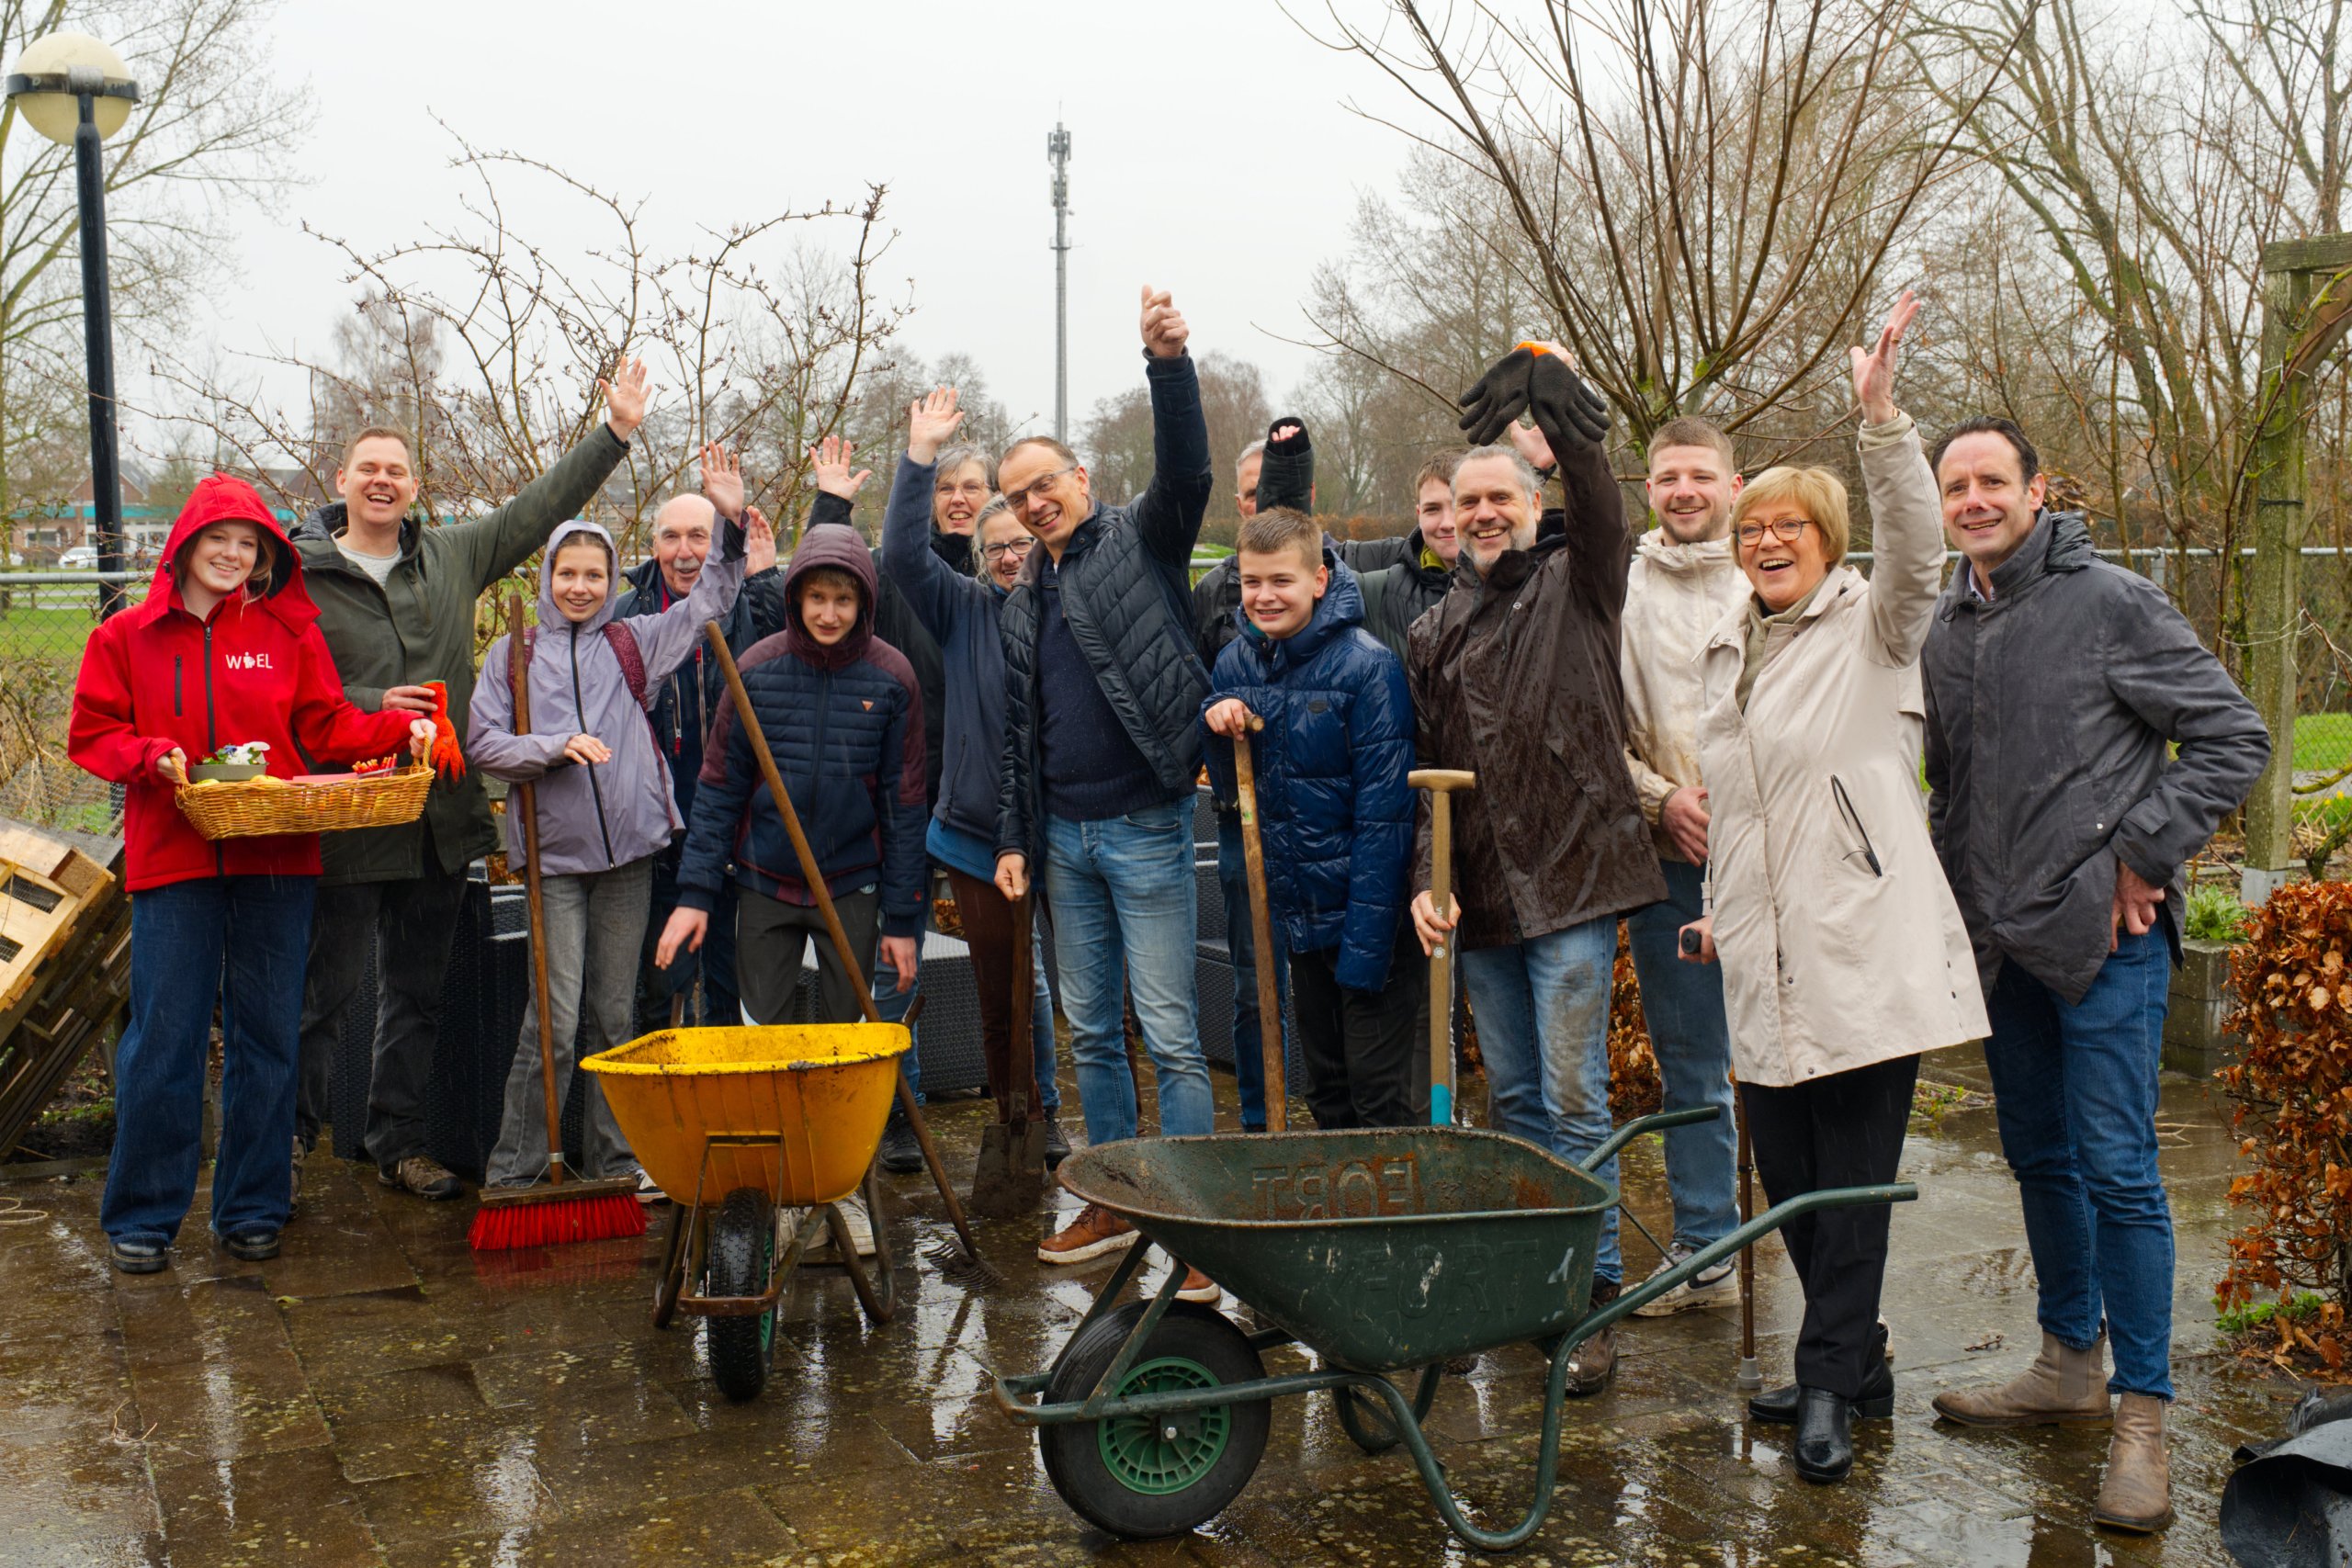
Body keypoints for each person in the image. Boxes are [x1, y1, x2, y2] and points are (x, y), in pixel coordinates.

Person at [1920, 410, 2268, 1530]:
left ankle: (2143, 1416)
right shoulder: (1946, 624)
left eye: (1990, 481)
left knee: (2119, 1169)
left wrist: (2141, 850)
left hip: (2105, 943)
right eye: (1954, 486)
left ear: (2035, 491)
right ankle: (2067, 1363)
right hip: (2000, 945)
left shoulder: (2109, 601)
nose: (1972, 500)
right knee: (2038, 1156)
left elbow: (2231, 733)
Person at [1676, 293, 1988, 1485]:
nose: (1764, 542)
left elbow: (1918, 544)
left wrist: (1881, 419)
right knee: (1798, 1194)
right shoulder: (1731, 654)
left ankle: (1825, 1386)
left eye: (1788, 528)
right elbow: (1750, 812)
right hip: (1764, 960)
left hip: (1861, 952)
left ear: (1826, 539)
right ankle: (1855, 1363)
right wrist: (1720, 904)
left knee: (1849, 1194)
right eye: (1753, 530)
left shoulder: (1877, 627)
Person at [290, 362, 649, 1206]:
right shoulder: (296, 574)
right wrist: (375, 705)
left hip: (438, 819)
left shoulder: (450, 556)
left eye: (397, 470)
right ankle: (289, 1148)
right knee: (324, 998)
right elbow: (283, 694)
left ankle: (399, 1141)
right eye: (367, 468)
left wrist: (616, 434)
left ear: (414, 487)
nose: (382, 480)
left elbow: (537, 512)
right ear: (340, 481)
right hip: (348, 814)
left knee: (417, 993)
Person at [68, 474, 435, 1272]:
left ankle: (253, 1206)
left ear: (265, 555)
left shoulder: (283, 633)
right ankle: (143, 1214)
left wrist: (400, 725)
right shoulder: (125, 636)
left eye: (249, 544)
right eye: (218, 541)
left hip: (277, 857)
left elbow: (327, 725)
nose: (234, 555)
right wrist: (146, 755)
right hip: (173, 861)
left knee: (269, 1035)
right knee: (164, 1037)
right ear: (185, 548)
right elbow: (94, 731)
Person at [1408, 344, 1665, 1394]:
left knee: (1571, 1100)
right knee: (1510, 1098)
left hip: (1572, 882)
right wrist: (1424, 889)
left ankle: (1590, 1297)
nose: (1480, 514)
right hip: (1483, 904)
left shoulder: (1581, 583)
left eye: (1498, 497)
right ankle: (1531, 1280)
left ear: (1530, 499)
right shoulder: (1432, 630)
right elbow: (1422, 782)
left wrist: (1563, 409)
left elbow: (1602, 504)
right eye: (1465, 501)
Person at [993, 286, 1219, 1295]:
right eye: (1019, 497)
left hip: (1146, 826)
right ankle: (1118, 1196)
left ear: (1080, 477)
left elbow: (1190, 470)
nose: (1035, 503)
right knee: (1090, 1028)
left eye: (1046, 484)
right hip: (1064, 844)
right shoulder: (1022, 595)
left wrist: (1166, 364)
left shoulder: (1145, 540)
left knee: (1168, 1030)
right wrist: (1014, 834)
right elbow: (1016, 733)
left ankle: (1196, 1219)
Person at [467, 446, 750, 1196]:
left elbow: (712, 598)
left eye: (595, 574)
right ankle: (518, 1166)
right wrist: (552, 748)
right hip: (555, 864)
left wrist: (728, 517)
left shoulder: (633, 641)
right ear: (548, 577)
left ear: (609, 577)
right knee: (553, 1022)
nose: (583, 587)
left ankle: (615, 1161)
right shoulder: (514, 654)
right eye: (569, 574)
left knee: (615, 1019)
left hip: (628, 857)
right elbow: (483, 743)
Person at [654, 523, 926, 1254]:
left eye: (844, 599)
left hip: (852, 884)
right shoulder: (757, 670)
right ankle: (769, 1190)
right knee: (761, 1046)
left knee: (846, 1050)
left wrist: (902, 917)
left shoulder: (892, 676)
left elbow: (905, 805)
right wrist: (694, 896)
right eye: (816, 597)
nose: (829, 613)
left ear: (863, 601)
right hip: (767, 883)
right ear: (798, 595)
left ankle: (841, 1187)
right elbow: (716, 792)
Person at [881, 389, 1069, 1163]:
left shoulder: (1068, 607)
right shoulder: (964, 611)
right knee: (1000, 995)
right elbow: (898, 554)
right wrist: (919, 455)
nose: (1008, 557)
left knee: (1061, 993)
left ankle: (1052, 1109)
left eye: (1019, 543)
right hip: (973, 835)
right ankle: (1014, 1120)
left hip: (1066, 830)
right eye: (994, 547)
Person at [1202, 506, 1418, 1128]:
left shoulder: (1368, 668)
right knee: (1326, 1090)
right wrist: (1216, 721)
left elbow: (1386, 822)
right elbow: (1229, 785)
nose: (1264, 596)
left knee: (1376, 1092)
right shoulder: (1236, 666)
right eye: (1251, 582)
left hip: (1370, 923)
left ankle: (1392, 1223)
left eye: (1281, 581)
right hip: (1299, 921)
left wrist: (1362, 952)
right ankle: (1341, 1214)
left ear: (1320, 579)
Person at [1617, 418, 1748, 1318]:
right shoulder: (1619, 592)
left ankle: (1825, 1260)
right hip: (1668, 864)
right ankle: (1706, 1247)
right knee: (1693, 1066)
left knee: (1799, 1065)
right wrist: (1659, 798)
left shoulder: (1771, 578)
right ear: (1649, 489)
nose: (1684, 490)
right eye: (1668, 477)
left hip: (1772, 863)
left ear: (1732, 487)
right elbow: (1596, 726)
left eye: (1700, 474)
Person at [801, 434, 955, 1175]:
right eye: (939, 492)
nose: (953, 503)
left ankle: (1035, 1102)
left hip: (968, 798)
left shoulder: (989, 584)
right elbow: (823, 583)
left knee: (1007, 968)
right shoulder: (897, 578)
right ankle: (897, 1109)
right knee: (894, 962)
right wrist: (833, 502)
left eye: (969, 490)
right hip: (899, 798)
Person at [616, 475, 788, 1035]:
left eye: (700, 535)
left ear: (718, 544)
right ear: (653, 544)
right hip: (663, 832)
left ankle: (729, 1108)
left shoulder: (741, 604)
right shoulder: (624, 616)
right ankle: (666, 1108)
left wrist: (763, 580)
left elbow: (794, 657)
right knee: (662, 982)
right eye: (671, 537)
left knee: (731, 985)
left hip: (739, 826)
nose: (685, 552)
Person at [1356, 448, 1466, 660]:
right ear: (1419, 514)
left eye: (1459, 506)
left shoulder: (1528, 580)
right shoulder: (1384, 586)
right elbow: (1303, 557)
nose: (1447, 524)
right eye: (1432, 509)